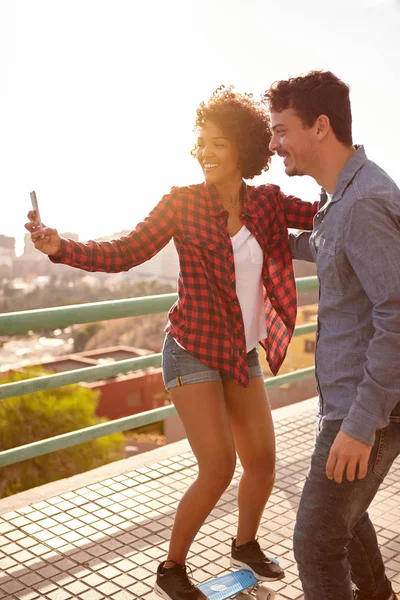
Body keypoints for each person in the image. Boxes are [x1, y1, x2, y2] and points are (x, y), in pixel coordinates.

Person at [26, 86, 317, 600]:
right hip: (192, 351)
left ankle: (245, 544)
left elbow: (328, 214)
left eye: (217, 143)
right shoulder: (181, 204)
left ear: (244, 148)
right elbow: (126, 251)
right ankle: (171, 567)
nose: (204, 152)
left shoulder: (268, 204)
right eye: (199, 143)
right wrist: (60, 246)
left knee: (264, 462)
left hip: (242, 352)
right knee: (219, 466)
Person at [264, 70, 400, 600]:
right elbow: (333, 250)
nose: (275, 145)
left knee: (315, 543)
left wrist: (362, 425)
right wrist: (272, 233)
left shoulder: (363, 201)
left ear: (321, 126)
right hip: (353, 400)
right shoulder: (341, 198)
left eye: (281, 131)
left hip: (370, 408)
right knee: (349, 518)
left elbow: (396, 310)